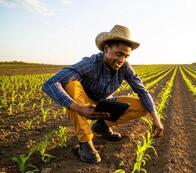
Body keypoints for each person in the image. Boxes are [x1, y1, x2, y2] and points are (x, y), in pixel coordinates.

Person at [42, 25, 164, 164]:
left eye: (125, 56)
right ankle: (85, 143)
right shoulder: (90, 63)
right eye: (119, 54)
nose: (121, 60)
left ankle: (102, 125)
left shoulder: (125, 67)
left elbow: (142, 90)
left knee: (143, 106)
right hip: (82, 103)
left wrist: (156, 118)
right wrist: (78, 107)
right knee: (70, 84)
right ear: (106, 49)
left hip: (104, 103)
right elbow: (50, 83)